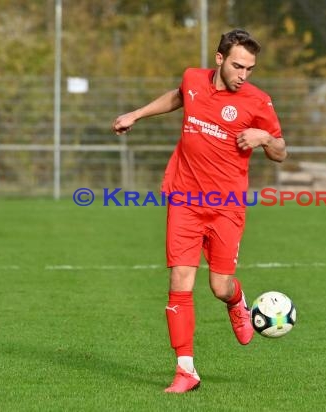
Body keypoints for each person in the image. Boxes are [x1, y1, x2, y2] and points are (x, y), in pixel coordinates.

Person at [112, 29, 286, 393]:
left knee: (219, 286)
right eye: (238, 66)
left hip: (227, 207)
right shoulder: (193, 78)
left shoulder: (258, 102)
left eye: (250, 69)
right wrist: (138, 114)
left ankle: (236, 301)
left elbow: (281, 150)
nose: (244, 74)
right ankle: (186, 370)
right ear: (220, 59)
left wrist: (265, 139)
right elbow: (179, 96)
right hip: (184, 199)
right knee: (179, 283)